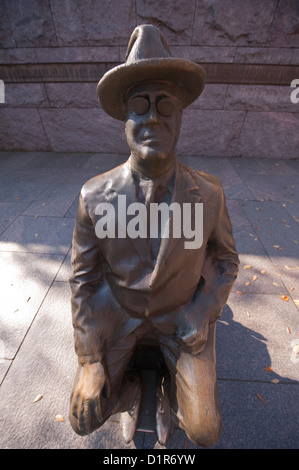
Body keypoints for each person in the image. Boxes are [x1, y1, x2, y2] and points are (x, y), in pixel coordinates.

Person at [69, 24, 239, 447]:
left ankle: (167, 390)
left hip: (180, 316)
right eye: (140, 105)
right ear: (125, 117)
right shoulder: (94, 195)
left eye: (165, 105)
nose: (153, 117)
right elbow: (82, 279)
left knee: (204, 431)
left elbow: (225, 261)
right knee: (82, 418)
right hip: (119, 315)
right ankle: (129, 393)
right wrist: (89, 359)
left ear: (180, 115)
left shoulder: (210, 194)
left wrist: (202, 312)